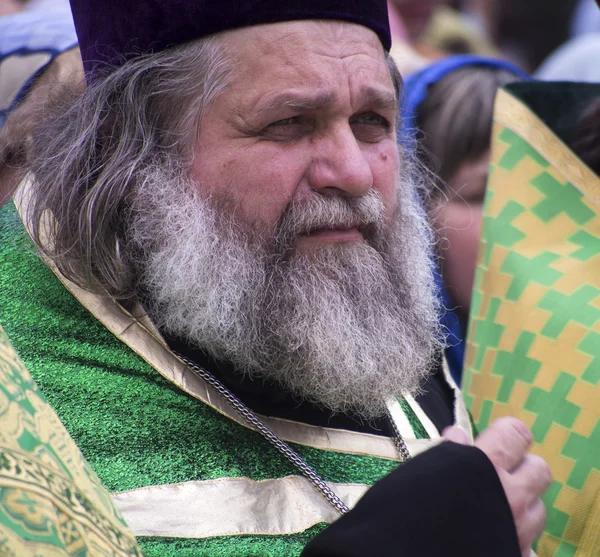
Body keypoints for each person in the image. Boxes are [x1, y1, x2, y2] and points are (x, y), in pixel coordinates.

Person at [0, 1, 550, 555]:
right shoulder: (17, 393)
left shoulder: (377, 320)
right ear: (130, 147)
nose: (355, 173)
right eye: (289, 124)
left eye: (370, 122)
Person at [402, 55, 528, 383]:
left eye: (538, 193)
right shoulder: (391, 408)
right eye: (483, 195)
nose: (521, 221)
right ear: (412, 212)